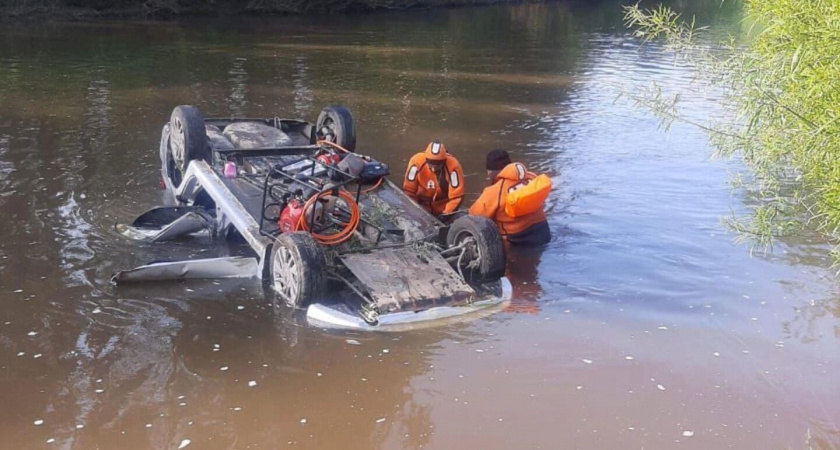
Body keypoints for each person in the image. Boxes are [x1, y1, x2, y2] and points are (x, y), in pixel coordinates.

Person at [469, 149, 551, 246]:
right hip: (543, 234)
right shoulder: (531, 177)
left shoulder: (494, 191)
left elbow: (475, 217)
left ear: (490, 172)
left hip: (517, 242)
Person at [402, 141, 465, 217]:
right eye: (431, 166)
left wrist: (446, 215)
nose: (434, 169)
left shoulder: (453, 166)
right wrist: (415, 211)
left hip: (443, 206)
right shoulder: (416, 162)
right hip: (421, 205)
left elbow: (457, 196)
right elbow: (409, 190)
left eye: (437, 166)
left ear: (444, 161)